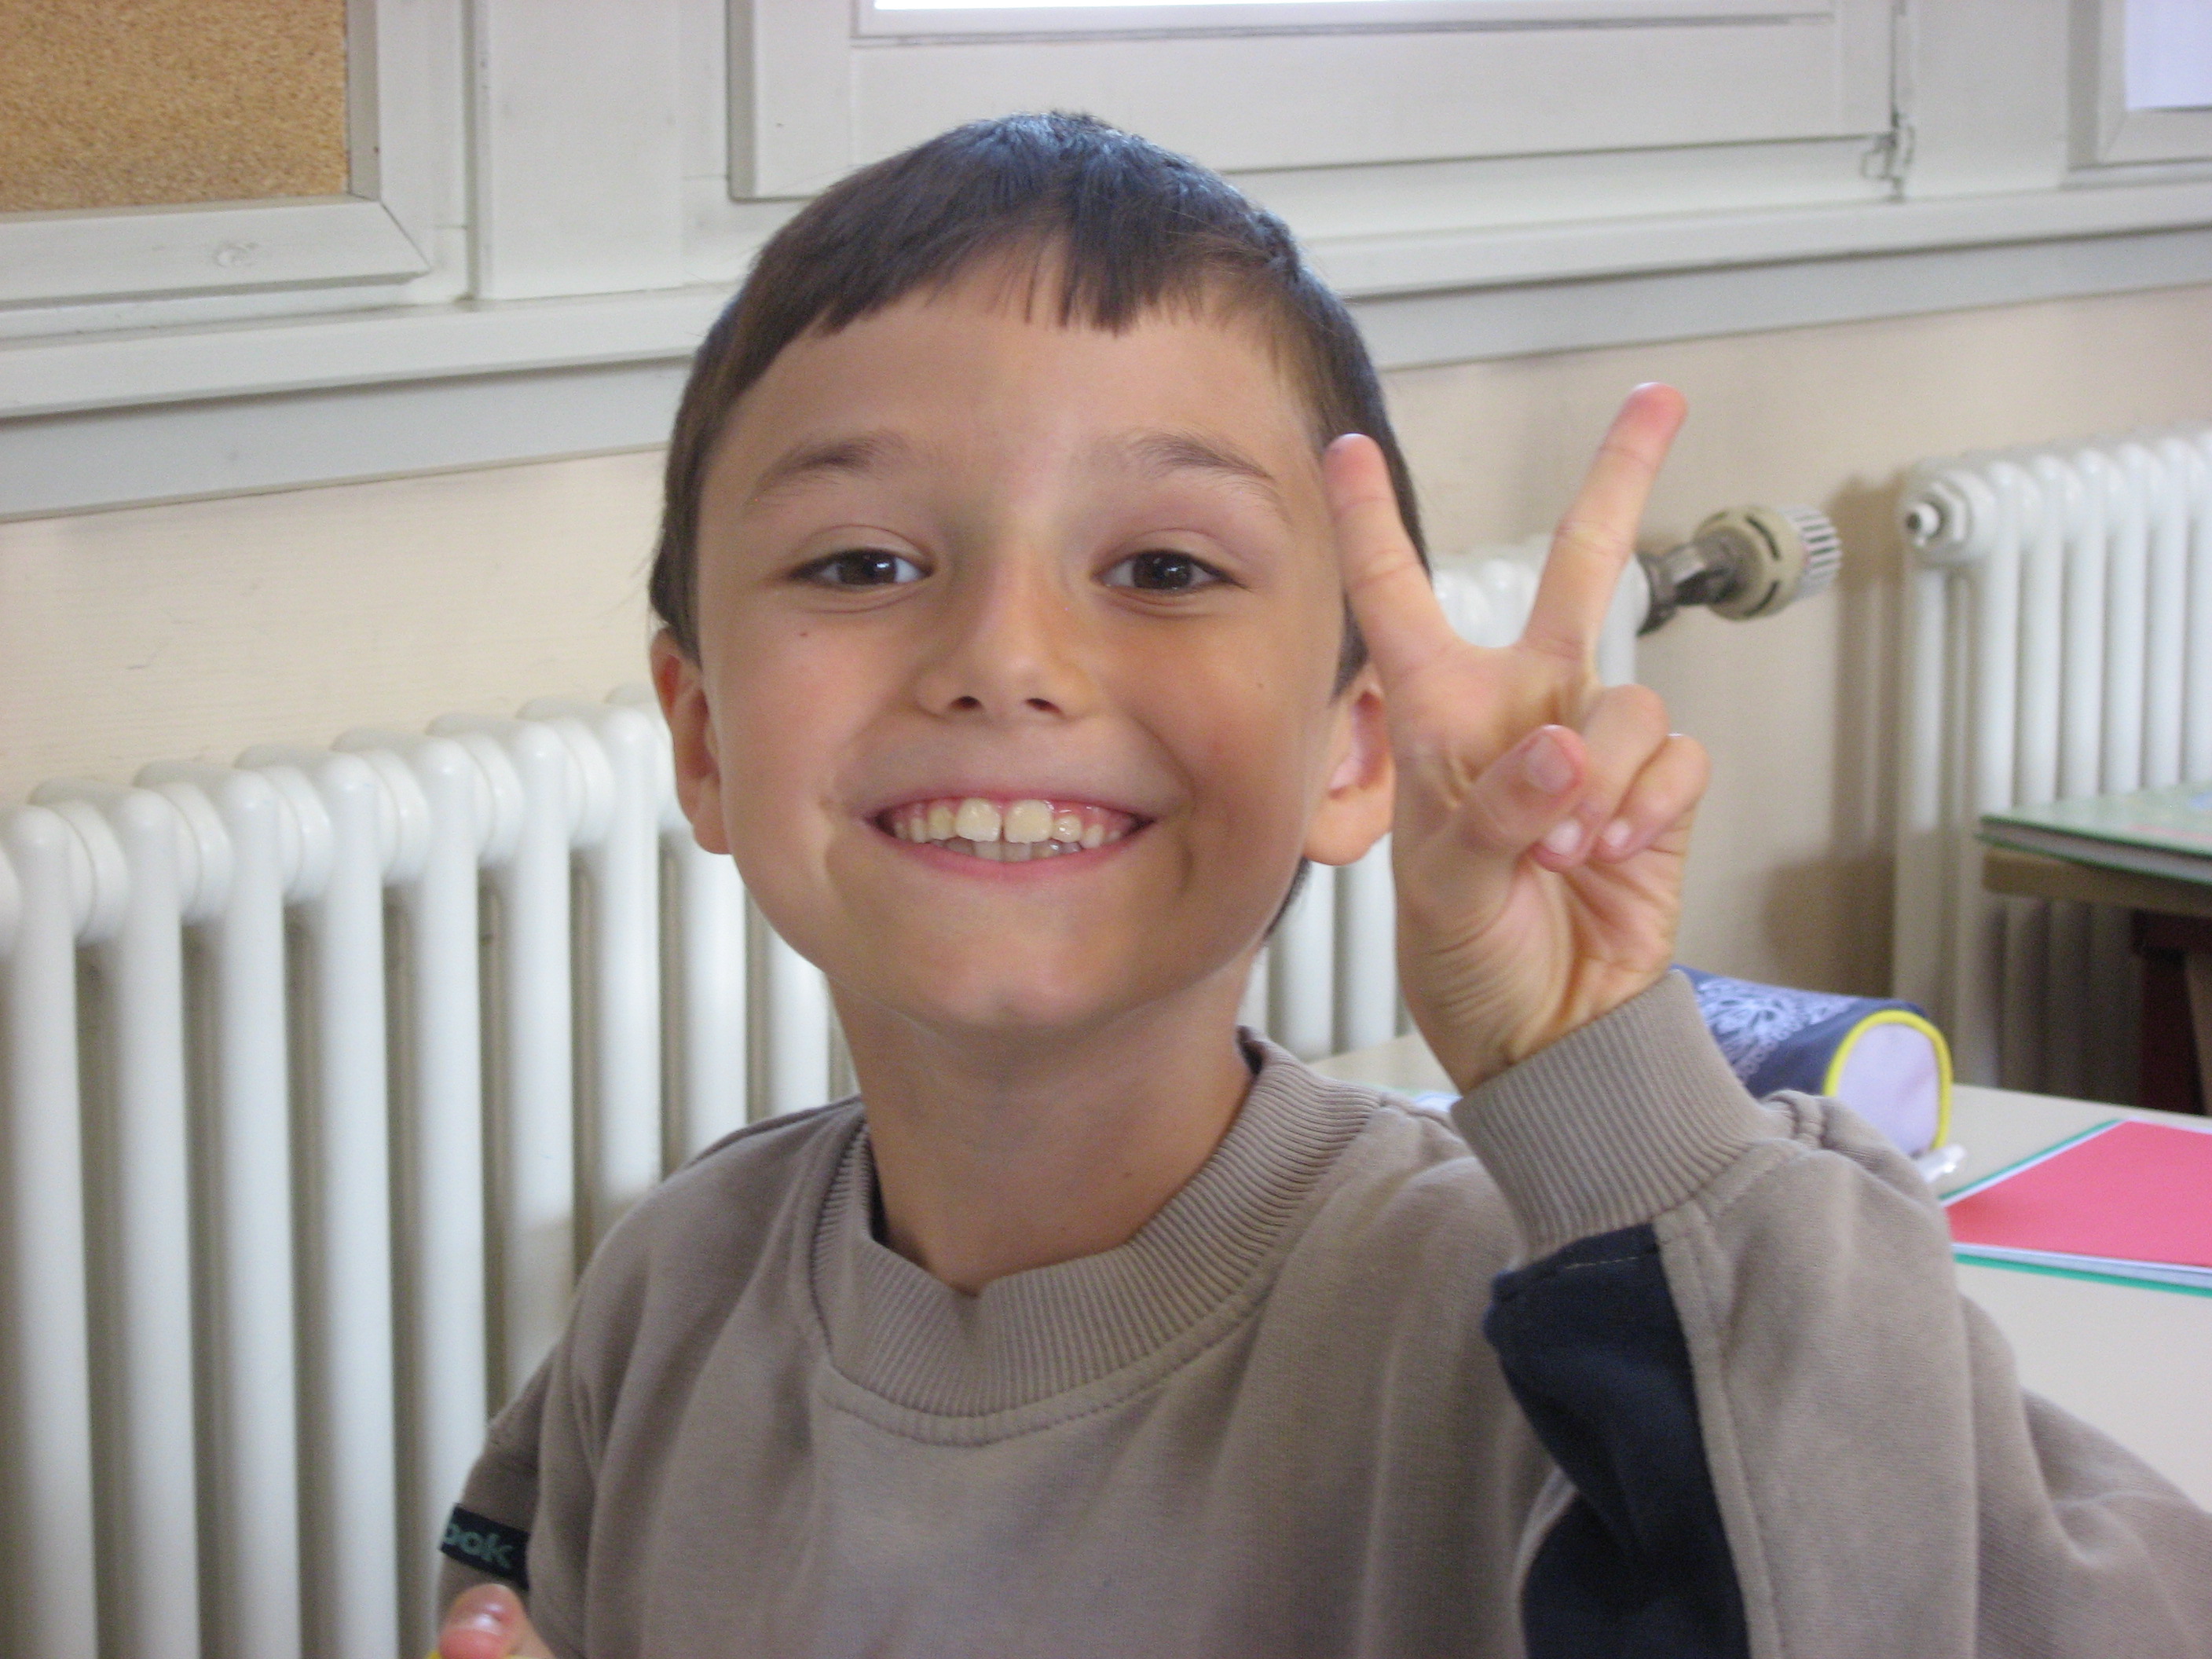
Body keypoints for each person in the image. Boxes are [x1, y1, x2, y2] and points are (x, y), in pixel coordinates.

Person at [433, 113, 2212, 1658]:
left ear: (1354, 751)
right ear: (703, 739)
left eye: (1163, 566)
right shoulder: (675, 1291)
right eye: (863, 562)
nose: (1004, 659)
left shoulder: (1551, 1326)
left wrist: (1614, 1103)